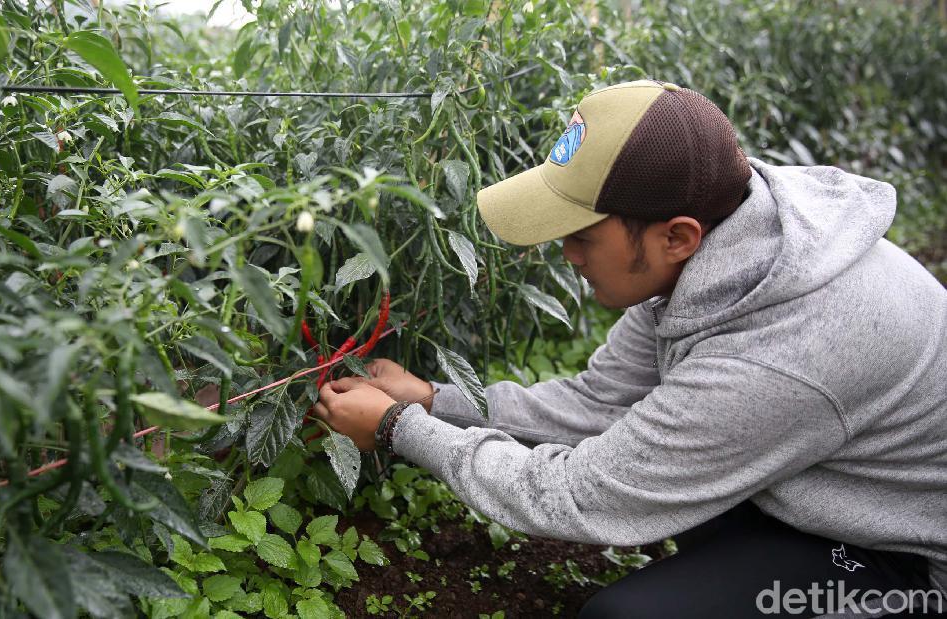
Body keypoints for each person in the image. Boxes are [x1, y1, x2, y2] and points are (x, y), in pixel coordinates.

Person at [309, 79, 947, 617]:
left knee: (625, 616)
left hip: (905, 563)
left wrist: (399, 428)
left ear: (677, 236)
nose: (566, 253)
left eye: (583, 235)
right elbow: (599, 402)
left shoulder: (783, 354)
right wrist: (431, 398)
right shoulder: (727, 248)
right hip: (825, 491)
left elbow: (580, 496)